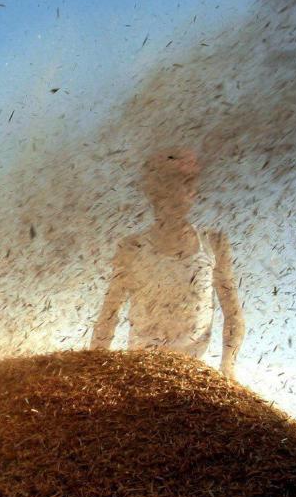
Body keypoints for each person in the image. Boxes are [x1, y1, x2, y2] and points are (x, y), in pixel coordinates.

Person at [90, 151, 245, 377]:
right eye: (168, 185)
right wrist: (95, 369)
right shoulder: (132, 247)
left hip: (192, 375)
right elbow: (109, 315)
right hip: (141, 371)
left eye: (186, 184)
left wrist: (228, 369)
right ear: (152, 191)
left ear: (193, 191)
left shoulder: (213, 243)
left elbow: (233, 314)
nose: (177, 193)